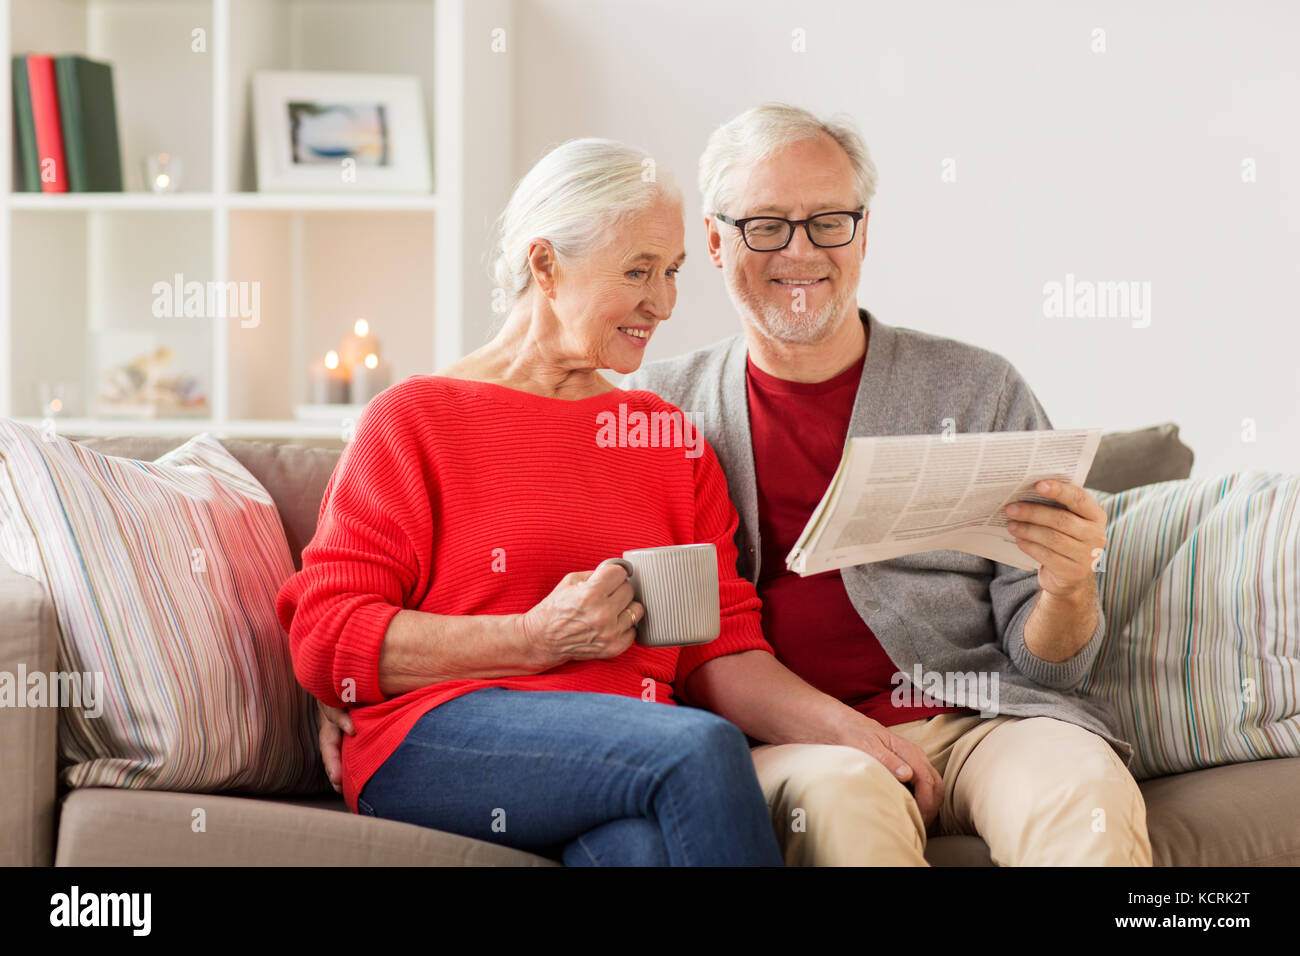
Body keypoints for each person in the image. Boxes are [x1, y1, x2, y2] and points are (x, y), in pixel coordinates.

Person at [278, 137, 875, 867]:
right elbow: (326, 637)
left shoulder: (666, 440)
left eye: (673, 271)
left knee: (644, 851)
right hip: (440, 737)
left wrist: (852, 733)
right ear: (545, 265)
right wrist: (532, 639)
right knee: (699, 747)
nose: (663, 301)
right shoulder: (417, 418)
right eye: (637, 270)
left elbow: (720, 648)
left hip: (623, 751)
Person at [622, 103, 1153, 865]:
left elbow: (1050, 666)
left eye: (829, 221)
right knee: (847, 802)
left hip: (979, 720)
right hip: (793, 743)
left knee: (1079, 786)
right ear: (713, 239)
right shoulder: (657, 408)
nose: (800, 252)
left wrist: (1069, 589)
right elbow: (673, 647)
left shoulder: (976, 388)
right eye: (765, 225)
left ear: (864, 233)